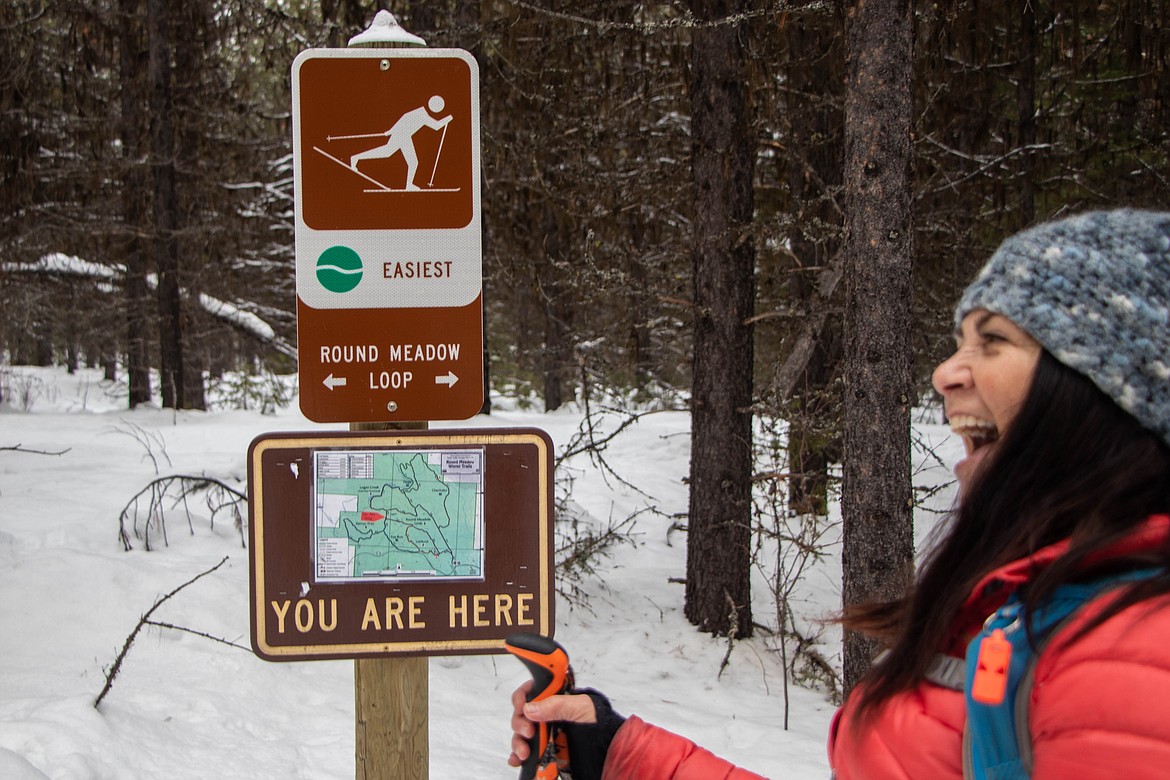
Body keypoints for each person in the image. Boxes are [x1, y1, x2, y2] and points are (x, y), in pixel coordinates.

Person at [507, 208, 1170, 779]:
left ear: (1103, 388)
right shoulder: (1039, 605)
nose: (945, 373)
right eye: (957, 342)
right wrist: (618, 751)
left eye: (992, 341)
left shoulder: (1128, 654)